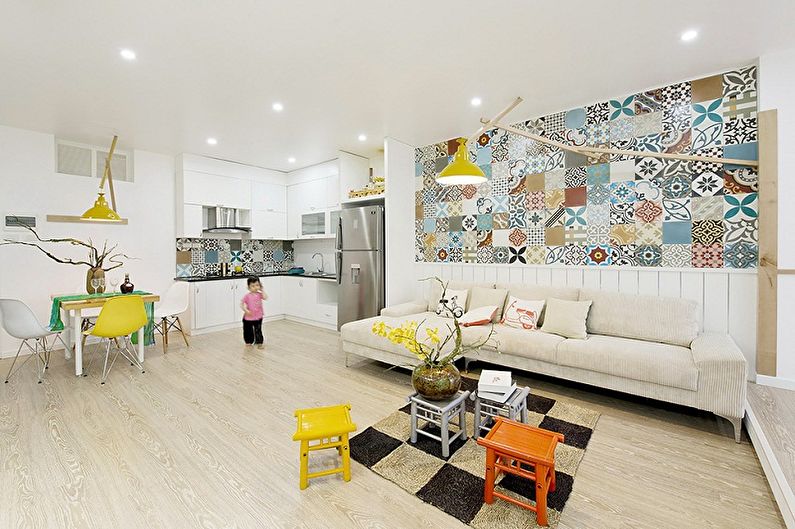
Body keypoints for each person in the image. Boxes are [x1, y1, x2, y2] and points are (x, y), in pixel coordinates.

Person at [241, 276, 268, 348]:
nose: (255, 287)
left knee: (258, 330)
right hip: (248, 318)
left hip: (258, 317)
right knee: (248, 330)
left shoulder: (260, 294)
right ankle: (248, 342)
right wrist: (246, 310)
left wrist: (262, 290)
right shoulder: (247, 296)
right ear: (248, 287)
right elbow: (242, 304)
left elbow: (265, 297)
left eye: (257, 285)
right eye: (253, 286)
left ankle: (259, 343)